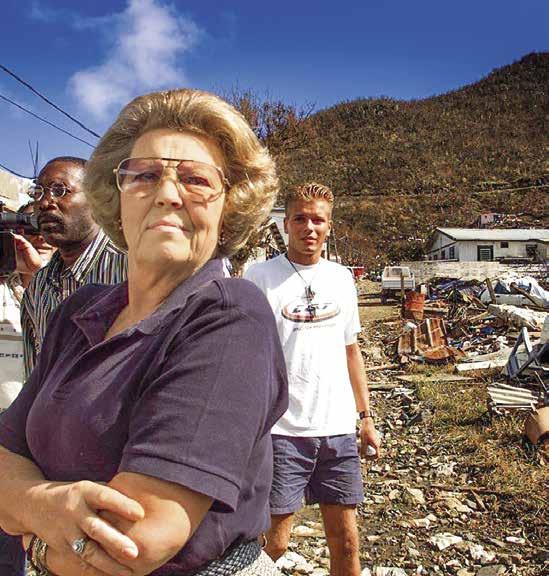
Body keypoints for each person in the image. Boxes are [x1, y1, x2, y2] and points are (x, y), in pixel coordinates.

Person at [0, 88, 287, 576]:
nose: (168, 194)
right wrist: (46, 507)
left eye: (196, 179)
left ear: (228, 208)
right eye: (145, 175)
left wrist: (31, 539)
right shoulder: (78, 312)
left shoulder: (230, 316)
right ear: (116, 200)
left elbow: (133, 544)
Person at [244, 182, 381, 576]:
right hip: (282, 432)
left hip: (337, 432)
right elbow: (248, 354)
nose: (309, 227)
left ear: (329, 226)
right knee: (273, 543)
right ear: (286, 224)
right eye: (300, 219)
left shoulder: (341, 279)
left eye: (318, 220)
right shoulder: (260, 277)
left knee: (347, 544)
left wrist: (366, 418)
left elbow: (351, 350)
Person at [16, 156, 128, 379]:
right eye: (38, 192)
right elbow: (36, 378)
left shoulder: (131, 266)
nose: (45, 203)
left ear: (96, 199)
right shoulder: (38, 287)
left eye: (60, 190)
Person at [0, 202, 55, 412]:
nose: (40, 237)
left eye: (48, 228)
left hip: (48, 419)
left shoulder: (77, 289)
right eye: (31, 229)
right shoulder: (3, 287)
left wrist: (38, 274)